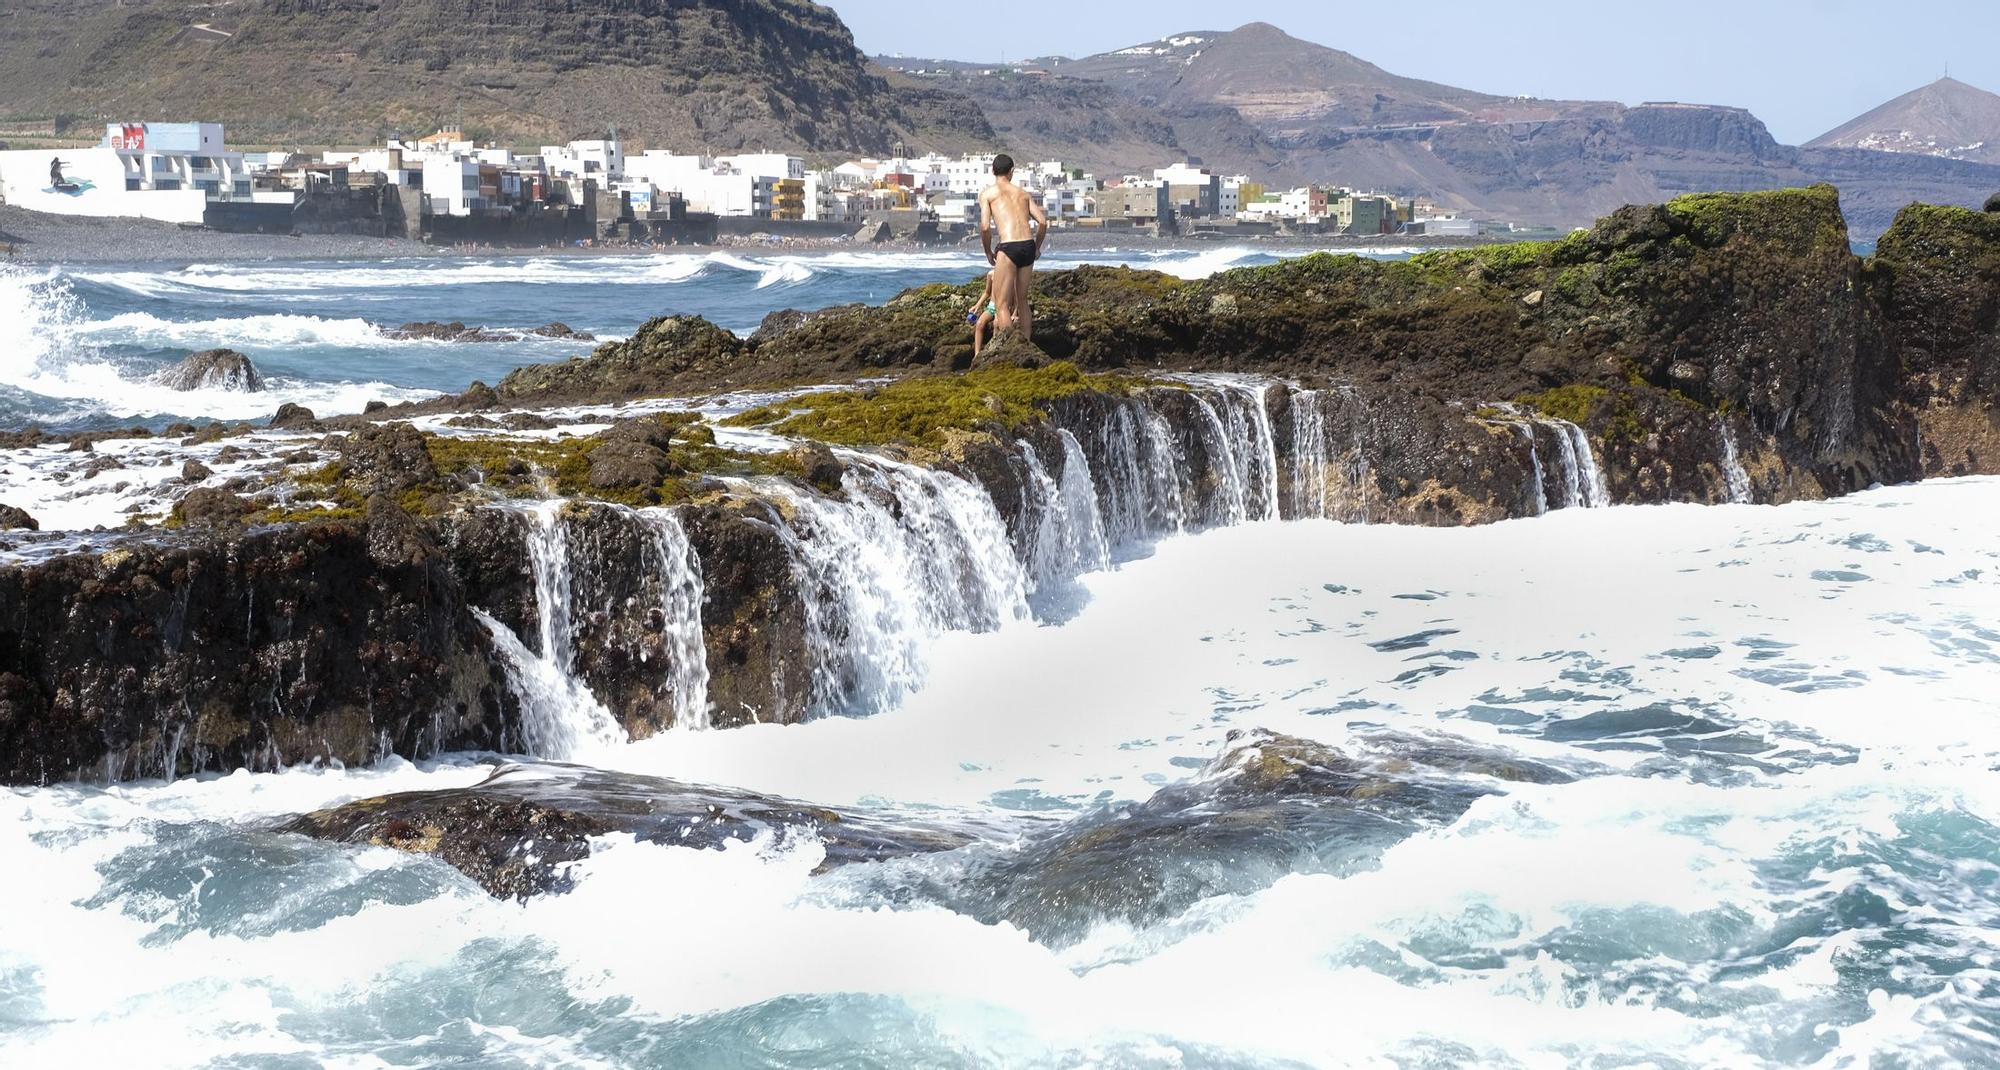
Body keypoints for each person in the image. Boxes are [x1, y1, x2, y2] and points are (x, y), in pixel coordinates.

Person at [979, 153, 1049, 342]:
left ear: (993, 171)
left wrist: (987, 250)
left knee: (1002, 304)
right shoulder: (1023, 194)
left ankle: (1011, 345)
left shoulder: (988, 194)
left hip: (1008, 247)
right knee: (1022, 300)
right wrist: (1037, 247)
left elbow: (985, 227)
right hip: (1027, 245)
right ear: (1011, 172)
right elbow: (1042, 222)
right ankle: (1025, 342)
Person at [965, 271, 998, 356]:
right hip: (992, 307)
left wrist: (1015, 312)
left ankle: (994, 351)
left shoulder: (1009, 272)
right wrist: (977, 305)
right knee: (979, 323)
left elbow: (1016, 294)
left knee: (996, 324)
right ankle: (977, 354)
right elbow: (987, 292)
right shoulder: (991, 274)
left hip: (1003, 307)